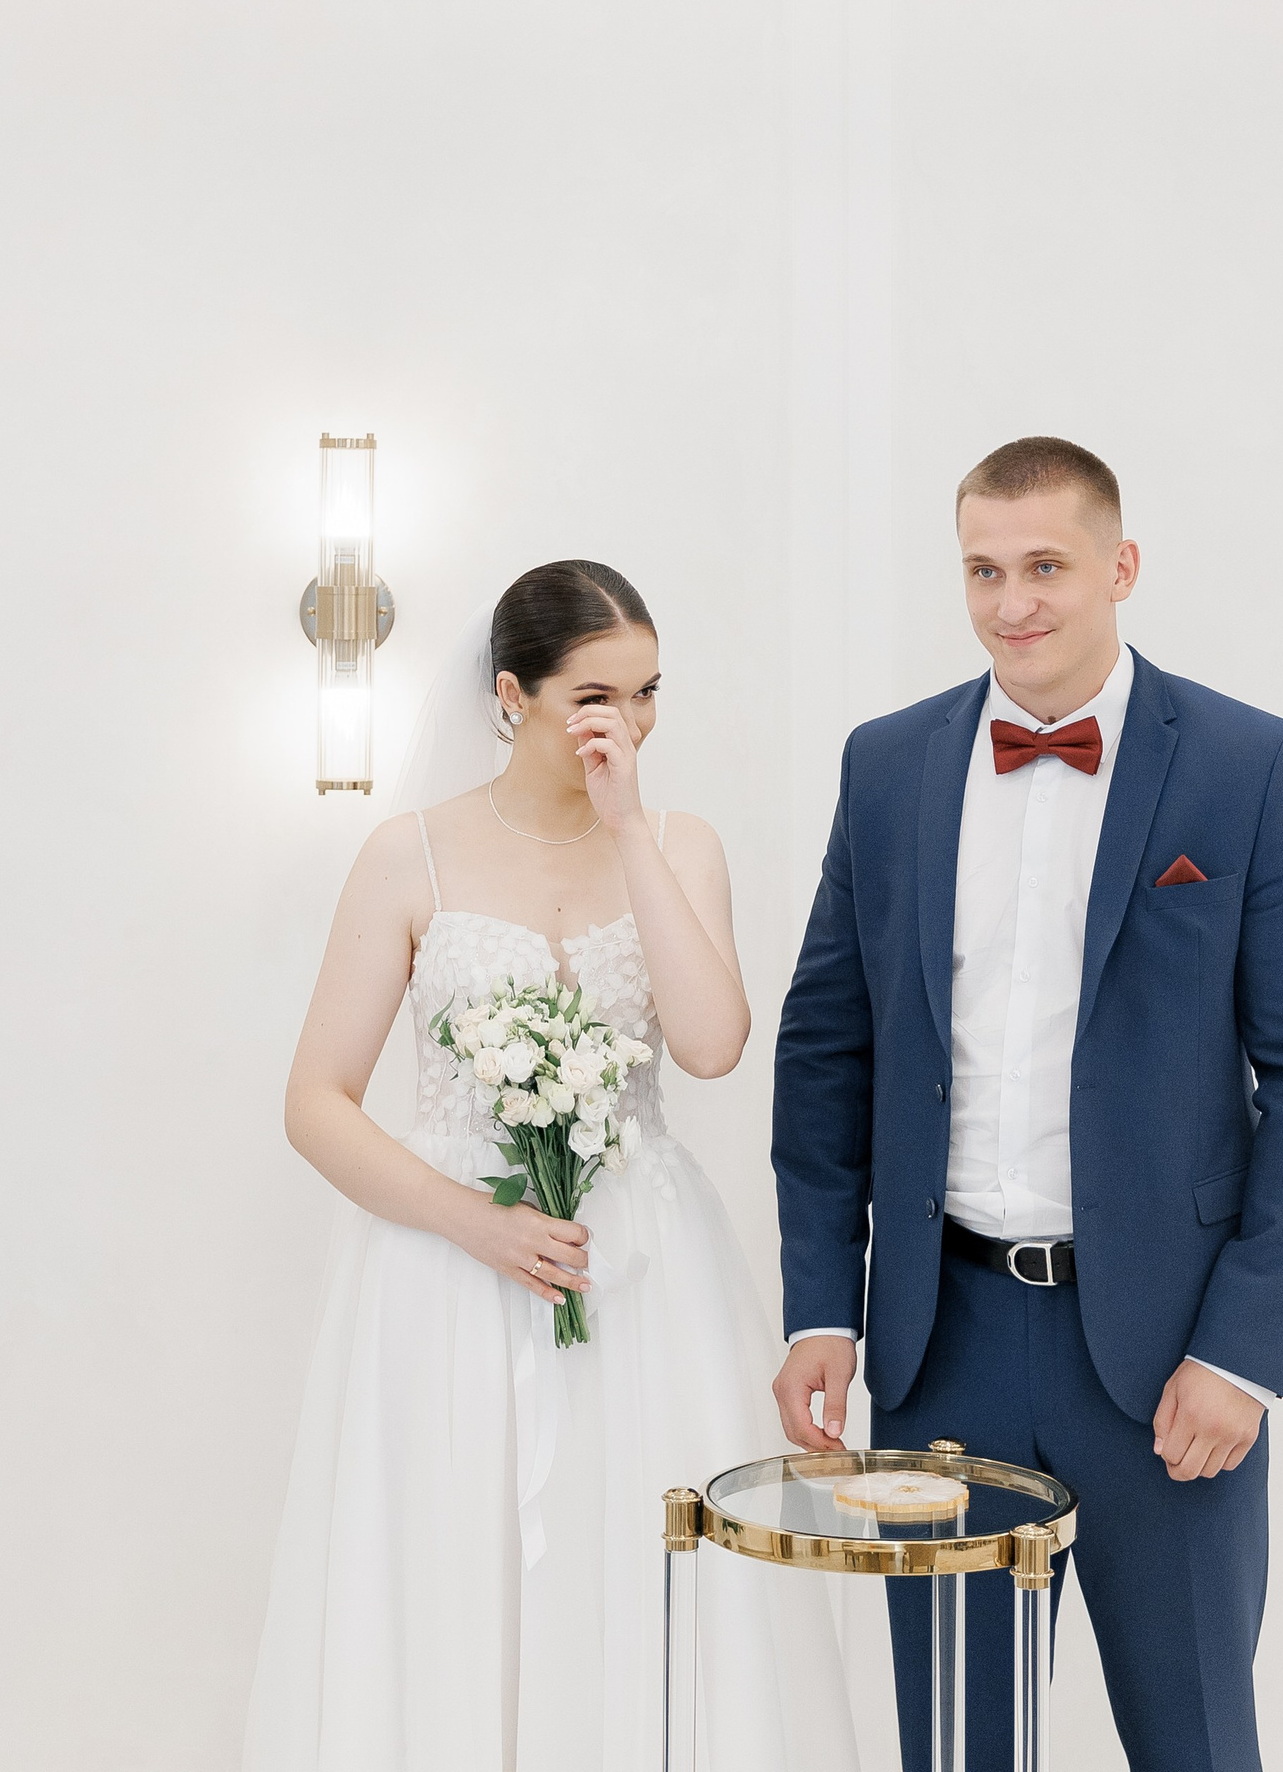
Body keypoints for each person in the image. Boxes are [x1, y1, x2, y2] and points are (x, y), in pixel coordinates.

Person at [772, 438, 1283, 1772]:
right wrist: (823, 1305)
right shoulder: (887, 765)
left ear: (1122, 567)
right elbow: (826, 1050)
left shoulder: (1251, 765)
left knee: (1195, 1741)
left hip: (1170, 1356)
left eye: (1045, 565)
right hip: (942, 1345)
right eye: (983, 571)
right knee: (957, 1748)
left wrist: (1243, 1351)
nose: (1012, 603)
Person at [245, 559, 856, 1772]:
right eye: (594, 697)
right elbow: (315, 1104)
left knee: (638, 1560)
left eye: (646, 693)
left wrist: (627, 825)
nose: (625, 723)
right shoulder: (408, 856)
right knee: (458, 1566)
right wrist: (473, 1220)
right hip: (449, 1275)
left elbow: (712, 1045)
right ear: (511, 696)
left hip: (643, 1273)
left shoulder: (679, 844)